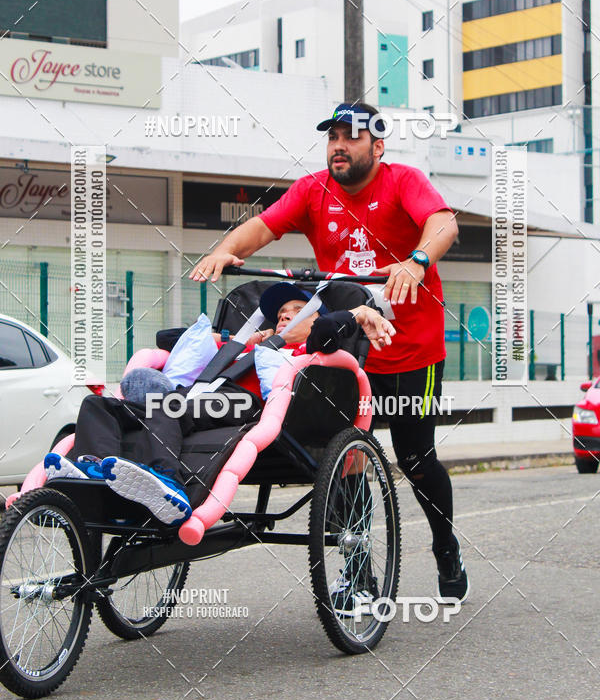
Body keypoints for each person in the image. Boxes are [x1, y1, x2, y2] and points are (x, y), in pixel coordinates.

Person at [189, 102, 468, 603]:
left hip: (410, 352)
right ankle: (358, 572)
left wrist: (417, 260)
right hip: (345, 351)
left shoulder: (404, 181)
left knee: (416, 458)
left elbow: (444, 223)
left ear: (377, 147)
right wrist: (225, 249)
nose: (339, 145)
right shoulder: (313, 190)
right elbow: (264, 225)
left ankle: (445, 546)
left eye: (351, 136)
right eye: (333, 137)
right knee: (343, 458)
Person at [44, 282, 394, 527]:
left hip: (253, 406)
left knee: (169, 405)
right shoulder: (248, 346)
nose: (286, 317)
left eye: (298, 311)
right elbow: (168, 339)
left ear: (316, 320)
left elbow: (335, 326)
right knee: (100, 405)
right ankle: (91, 464)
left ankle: (167, 479)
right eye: (282, 314)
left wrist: (359, 309)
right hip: (201, 399)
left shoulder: (311, 349)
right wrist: (233, 339)